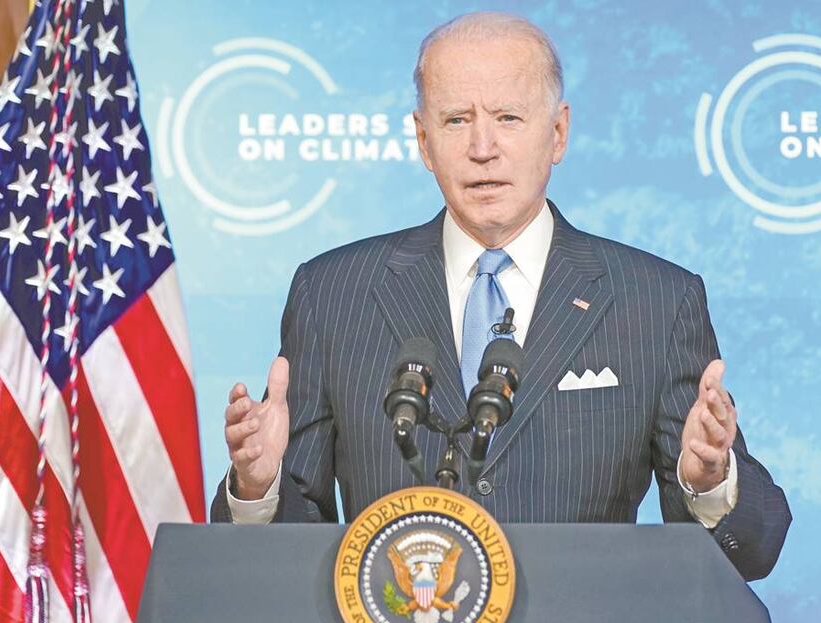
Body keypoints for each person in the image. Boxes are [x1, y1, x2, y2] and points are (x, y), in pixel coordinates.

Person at [210, 12, 791, 581]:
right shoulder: (333, 294)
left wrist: (710, 482)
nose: (482, 147)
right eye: (457, 120)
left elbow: (754, 552)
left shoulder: (655, 302)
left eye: (509, 117)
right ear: (423, 140)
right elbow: (284, 556)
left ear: (558, 132)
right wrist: (258, 488)